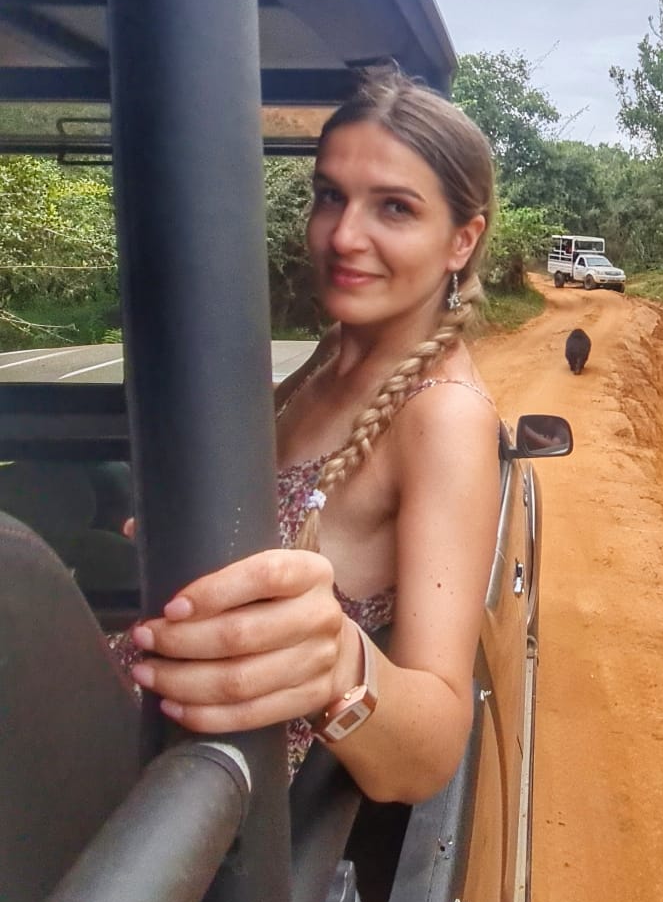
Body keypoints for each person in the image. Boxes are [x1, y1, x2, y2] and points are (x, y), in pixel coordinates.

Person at [121, 70, 500, 802]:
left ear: (462, 239)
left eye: (394, 207)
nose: (344, 235)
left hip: (200, 792)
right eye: (331, 195)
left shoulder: (445, 414)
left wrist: (339, 665)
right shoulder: (331, 352)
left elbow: (433, 748)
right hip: (150, 713)